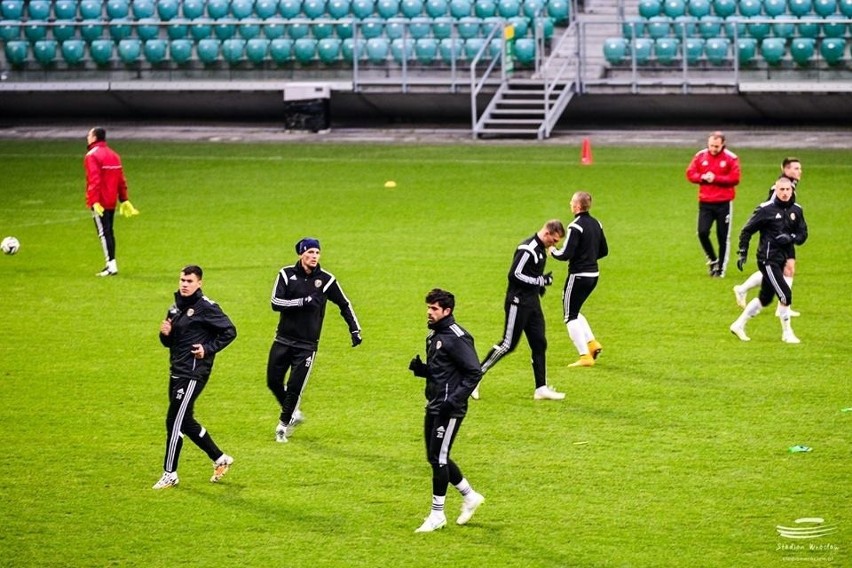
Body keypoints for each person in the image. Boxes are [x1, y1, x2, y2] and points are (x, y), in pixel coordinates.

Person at [267, 238, 362, 443]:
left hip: (307, 345)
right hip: (283, 339)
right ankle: (293, 412)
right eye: (310, 252)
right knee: (273, 381)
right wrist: (302, 302)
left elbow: (344, 304)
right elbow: (275, 302)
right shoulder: (286, 274)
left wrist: (354, 329)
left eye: (317, 253)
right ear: (301, 254)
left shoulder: (326, 280)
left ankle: (282, 426)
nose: (314, 256)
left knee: (294, 386)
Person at [153, 265, 237, 489]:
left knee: (174, 421)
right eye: (182, 280)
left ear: (199, 283)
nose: (184, 284)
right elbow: (170, 343)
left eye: (189, 281)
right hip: (176, 370)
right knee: (186, 420)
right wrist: (165, 335)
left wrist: (207, 349)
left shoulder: (206, 307)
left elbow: (230, 331)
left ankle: (170, 473)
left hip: (193, 373)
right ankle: (220, 459)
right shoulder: (174, 308)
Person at [409, 288, 485, 533]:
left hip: (449, 409)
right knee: (434, 457)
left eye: (434, 309)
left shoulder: (457, 337)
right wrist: (422, 370)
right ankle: (470, 496)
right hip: (434, 404)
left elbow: (474, 371)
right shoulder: (434, 335)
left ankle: (437, 515)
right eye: (428, 307)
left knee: (439, 458)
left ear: (447, 311)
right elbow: (441, 371)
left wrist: (454, 400)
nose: (429, 312)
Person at [476, 220, 567, 401]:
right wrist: (540, 282)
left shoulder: (541, 250)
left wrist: (539, 284)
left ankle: (541, 388)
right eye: (554, 240)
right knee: (508, 344)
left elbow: (531, 273)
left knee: (539, 343)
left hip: (532, 304)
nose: (554, 244)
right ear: (547, 233)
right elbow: (515, 274)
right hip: (518, 303)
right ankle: (474, 378)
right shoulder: (528, 249)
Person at [730, 176, 807, 344]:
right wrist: (742, 251)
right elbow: (747, 230)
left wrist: (791, 237)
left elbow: (803, 235)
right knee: (785, 295)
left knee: (765, 299)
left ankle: (738, 324)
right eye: (781, 190)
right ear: (776, 191)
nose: (785, 193)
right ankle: (787, 333)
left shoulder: (797, 210)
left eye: (788, 190)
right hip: (767, 259)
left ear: (792, 190)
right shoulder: (766, 210)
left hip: (782, 259)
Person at [733, 157, 802, 317]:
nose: (799, 171)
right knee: (782, 269)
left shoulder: (790, 186)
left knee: (787, 269)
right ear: (785, 170)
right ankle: (782, 306)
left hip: (785, 234)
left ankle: (745, 290)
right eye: (796, 168)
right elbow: (770, 210)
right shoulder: (777, 189)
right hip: (776, 235)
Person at [550, 191, 609, 368]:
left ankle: (584, 356)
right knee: (575, 310)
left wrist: (553, 251)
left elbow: (566, 254)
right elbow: (604, 251)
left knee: (569, 315)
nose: (570, 204)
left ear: (577, 206)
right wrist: (589, 257)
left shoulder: (575, 226)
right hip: (593, 275)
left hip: (578, 275)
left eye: (571, 202)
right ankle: (592, 344)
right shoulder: (596, 223)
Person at [84, 127, 139, 277]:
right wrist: (124, 199)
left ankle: (111, 265)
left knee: (103, 233)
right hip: (111, 200)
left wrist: (94, 201)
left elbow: (94, 180)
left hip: (100, 201)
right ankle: (111, 264)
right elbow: (121, 179)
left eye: (89, 135)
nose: (87, 137)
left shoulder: (92, 155)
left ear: (94, 137)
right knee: (109, 232)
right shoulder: (114, 155)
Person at [685, 131, 741, 277]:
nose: (713, 149)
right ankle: (712, 259)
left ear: (723, 144)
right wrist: (702, 177)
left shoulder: (731, 158)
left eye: (716, 146)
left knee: (723, 237)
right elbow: (690, 173)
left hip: (723, 203)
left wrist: (715, 178)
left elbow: (735, 178)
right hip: (705, 202)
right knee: (702, 232)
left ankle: (720, 269)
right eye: (711, 145)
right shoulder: (700, 156)